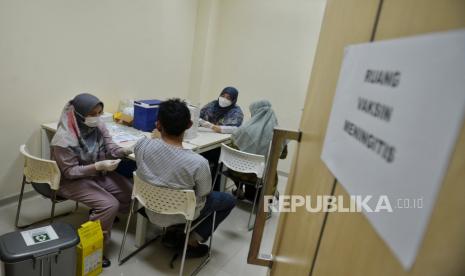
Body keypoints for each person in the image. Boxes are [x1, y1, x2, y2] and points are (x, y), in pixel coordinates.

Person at [134, 98, 236, 257]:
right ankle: (191, 240)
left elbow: (148, 151)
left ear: (158, 124)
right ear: (189, 125)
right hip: (181, 213)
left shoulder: (141, 145)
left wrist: (155, 137)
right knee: (228, 200)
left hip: (148, 206)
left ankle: (175, 231)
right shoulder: (199, 163)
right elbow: (204, 192)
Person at [51, 93, 133, 268]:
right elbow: (70, 172)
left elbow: (111, 148)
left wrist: (125, 151)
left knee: (129, 193)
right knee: (109, 204)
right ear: (79, 115)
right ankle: (95, 249)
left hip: (95, 172)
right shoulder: (63, 139)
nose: (97, 118)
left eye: (99, 113)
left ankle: (100, 218)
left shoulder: (98, 126)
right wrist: (97, 166)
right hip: (69, 181)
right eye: (92, 114)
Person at [229, 100, 287, 201]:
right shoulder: (278, 134)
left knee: (239, 162)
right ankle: (269, 194)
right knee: (271, 169)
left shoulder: (244, 129)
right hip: (260, 176)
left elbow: (233, 149)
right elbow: (282, 155)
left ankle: (239, 190)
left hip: (237, 171)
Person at [199, 87, 244, 189]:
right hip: (205, 138)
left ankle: (213, 187)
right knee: (198, 155)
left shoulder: (236, 111)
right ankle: (199, 184)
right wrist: (199, 121)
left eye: (228, 97)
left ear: (233, 100)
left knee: (214, 160)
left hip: (222, 144)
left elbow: (235, 128)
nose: (224, 99)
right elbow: (199, 116)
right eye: (223, 96)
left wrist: (214, 127)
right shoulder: (212, 105)